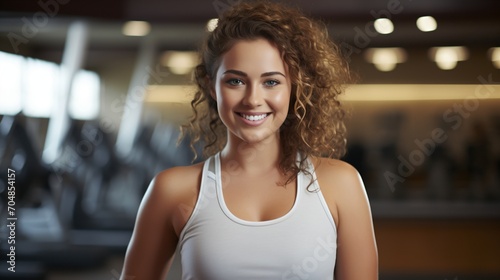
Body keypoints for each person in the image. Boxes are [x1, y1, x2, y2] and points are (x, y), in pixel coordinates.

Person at [121, 1, 378, 279]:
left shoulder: (341, 185)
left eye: (271, 82)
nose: (253, 99)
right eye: (235, 81)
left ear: (295, 88)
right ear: (212, 86)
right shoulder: (171, 191)